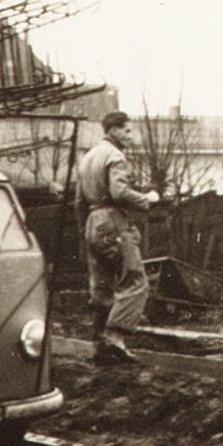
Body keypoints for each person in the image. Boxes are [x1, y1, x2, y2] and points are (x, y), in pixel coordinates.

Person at [75, 110, 160, 363]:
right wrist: (146, 199)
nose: (130, 135)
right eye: (127, 130)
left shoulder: (88, 157)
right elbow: (119, 191)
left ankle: (99, 341)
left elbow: (79, 201)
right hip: (112, 220)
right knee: (135, 280)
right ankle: (114, 338)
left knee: (102, 284)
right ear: (113, 130)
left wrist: (85, 231)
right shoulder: (115, 156)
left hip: (92, 221)